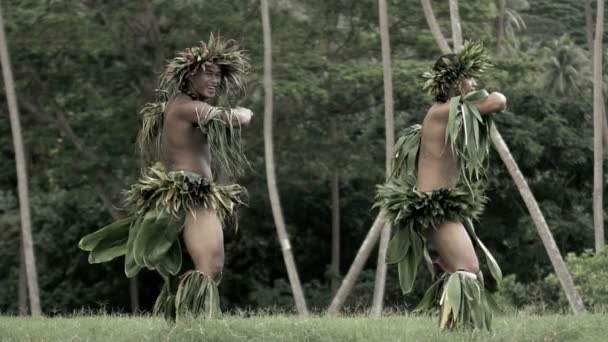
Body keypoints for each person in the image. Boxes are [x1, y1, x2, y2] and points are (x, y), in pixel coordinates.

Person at [79, 34, 252, 320]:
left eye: (218, 75)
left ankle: (177, 327)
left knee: (187, 268)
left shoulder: (172, 106)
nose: (214, 80)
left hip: (176, 192)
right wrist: (246, 111)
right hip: (192, 192)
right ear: (188, 76)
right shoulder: (188, 108)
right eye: (206, 73)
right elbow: (235, 119)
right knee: (211, 264)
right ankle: (194, 327)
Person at [375, 42, 505, 330]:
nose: (474, 83)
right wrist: (484, 93)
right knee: (469, 269)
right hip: (434, 205)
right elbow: (497, 101)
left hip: (443, 203)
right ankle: (457, 328)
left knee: (464, 269)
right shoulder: (441, 112)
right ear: (456, 82)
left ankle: (457, 326)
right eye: (469, 78)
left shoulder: (450, 113)